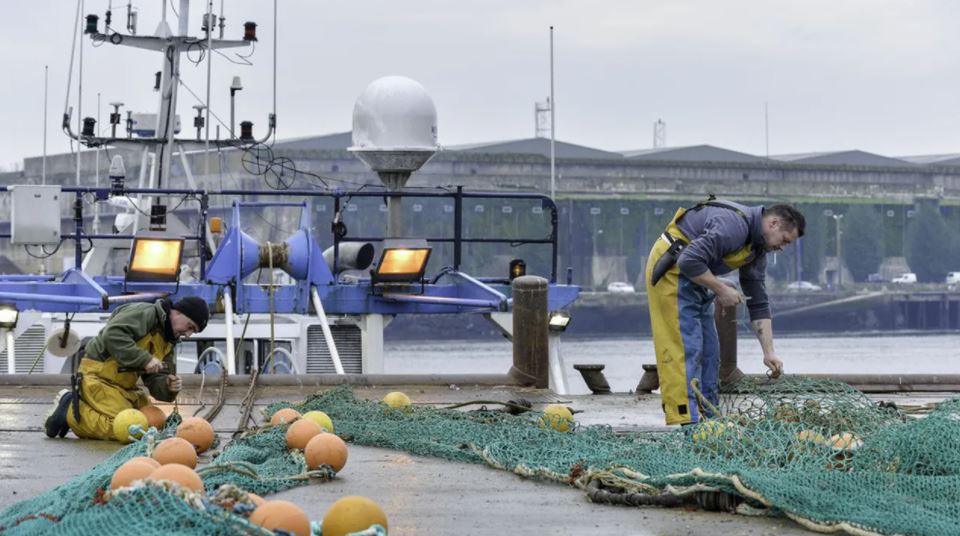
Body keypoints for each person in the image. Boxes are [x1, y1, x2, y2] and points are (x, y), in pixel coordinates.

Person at [645, 198, 804, 426]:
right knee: (685, 348)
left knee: (710, 353)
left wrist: (769, 352)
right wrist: (720, 288)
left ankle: (711, 421)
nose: (783, 247)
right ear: (774, 223)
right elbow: (688, 260)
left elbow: (758, 301)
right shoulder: (734, 226)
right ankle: (689, 423)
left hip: (696, 276)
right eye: (785, 240)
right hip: (672, 271)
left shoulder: (756, 250)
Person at [43, 296, 210, 440]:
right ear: (178, 312)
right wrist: (145, 359)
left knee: (153, 424)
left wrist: (167, 385)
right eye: (189, 327)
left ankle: (83, 406)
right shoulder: (146, 313)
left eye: (193, 332)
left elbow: (156, 380)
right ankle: (69, 411)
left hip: (125, 387)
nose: (187, 334)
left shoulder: (169, 341)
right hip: (99, 376)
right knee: (124, 428)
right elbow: (113, 334)